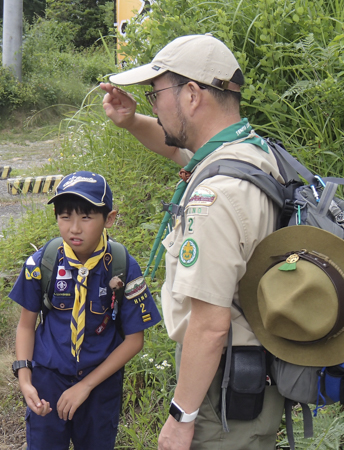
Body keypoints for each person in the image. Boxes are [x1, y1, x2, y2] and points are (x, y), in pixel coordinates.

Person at [101, 34, 286, 449]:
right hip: (251, 379)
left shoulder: (216, 195)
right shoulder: (250, 155)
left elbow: (209, 325)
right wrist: (132, 121)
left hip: (223, 392)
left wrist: (180, 419)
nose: (153, 104)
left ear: (191, 94)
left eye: (155, 94)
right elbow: (177, 154)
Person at [9, 171, 161, 450]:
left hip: (100, 386)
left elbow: (134, 340)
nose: (74, 228)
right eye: (65, 217)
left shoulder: (123, 266)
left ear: (110, 219)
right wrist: (26, 380)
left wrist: (86, 386)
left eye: (86, 217)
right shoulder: (44, 262)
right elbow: (26, 326)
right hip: (48, 381)